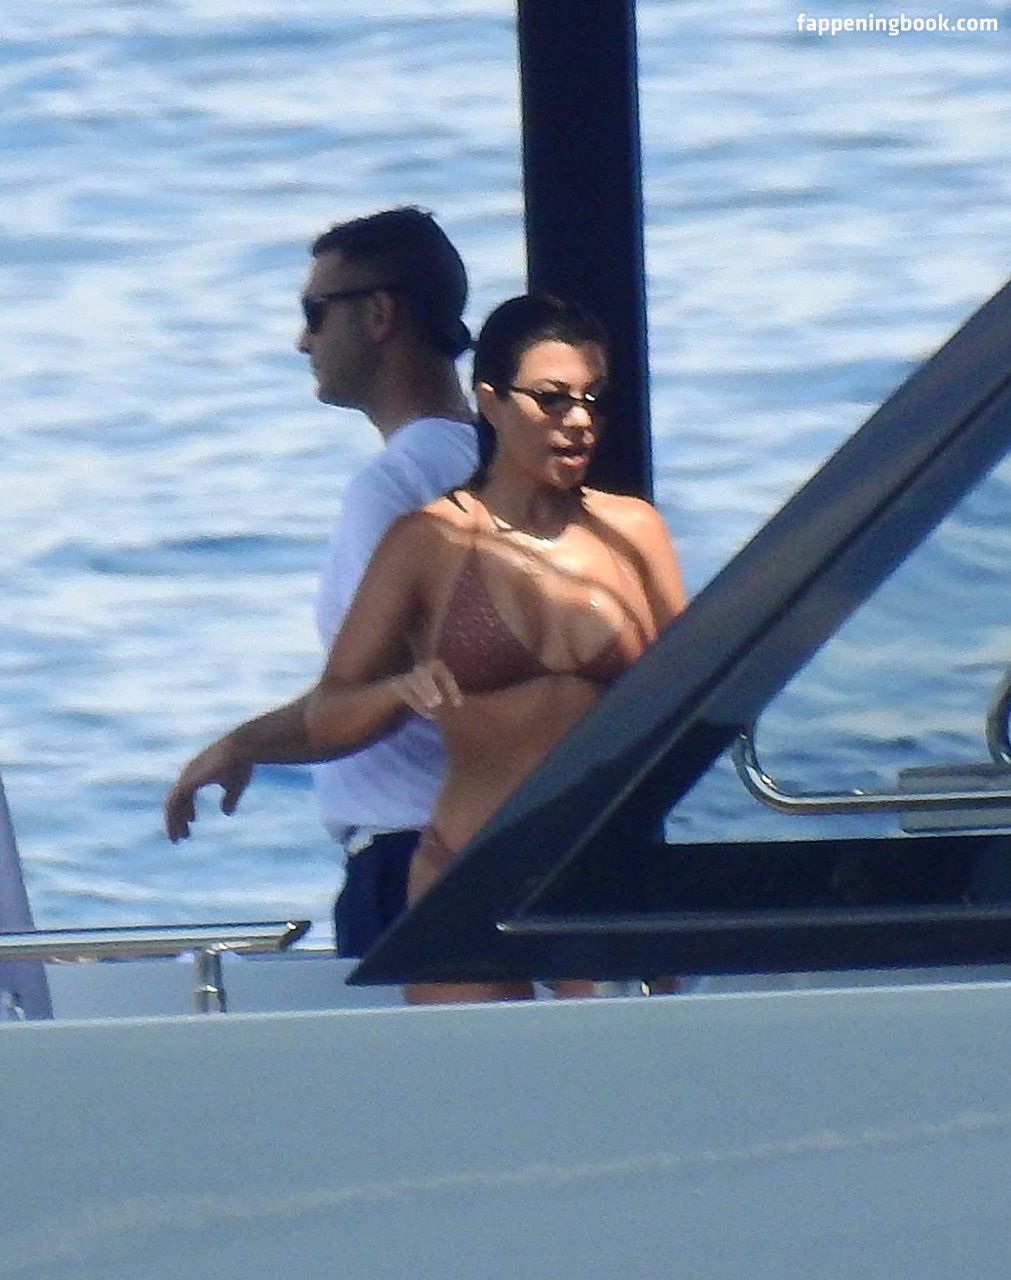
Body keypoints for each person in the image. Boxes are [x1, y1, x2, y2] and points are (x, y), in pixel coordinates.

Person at [166, 293, 686, 1004]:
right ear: (490, 402)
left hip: (602, 873)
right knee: (473, 1078)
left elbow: (699, 689)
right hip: (463, 871)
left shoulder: (633, 531)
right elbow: (333, 707)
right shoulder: (427, 543)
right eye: (551, 398)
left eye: (592, 399)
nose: (578, 420)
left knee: (627, 1072)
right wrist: (374, 699)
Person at [170, 207, 478, 957]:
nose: (302, 340)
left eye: (315, 313)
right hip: (498, 846)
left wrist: (242, 745)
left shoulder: (393, 487)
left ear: (378, 315)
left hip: (409, 861)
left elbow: (383, 695)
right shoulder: (497, 466)